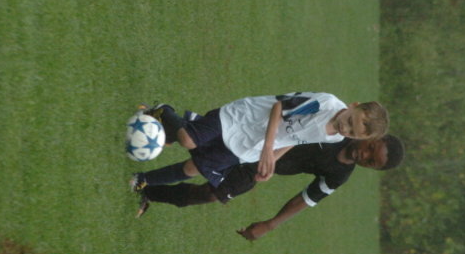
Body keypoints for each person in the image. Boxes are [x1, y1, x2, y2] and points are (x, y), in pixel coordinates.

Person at [136, 129, 405, 241]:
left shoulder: (339, 175)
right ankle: (160, 120)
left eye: (371, 161)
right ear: (374, 136)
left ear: (372, 168)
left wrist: (270, 224)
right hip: (257, 140)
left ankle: (148, 191)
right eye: (371, 148)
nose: (365, 155)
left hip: (259, 169)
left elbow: (305, 199)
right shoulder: (339, 130)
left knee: (211, 194)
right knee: (198, 143)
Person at [130, 92, 390, 200]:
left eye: (352, 133)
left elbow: (297, 139)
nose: (346, 129)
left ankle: (143, 179)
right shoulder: (325, 104)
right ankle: (164, 113)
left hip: (249, 146)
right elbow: (279, 107)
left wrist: (272, 158)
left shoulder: (335, 138)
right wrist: (267, 148)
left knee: (192, 169)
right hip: (243, 118)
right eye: (350, 122)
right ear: (354, 106)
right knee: (188, 139)